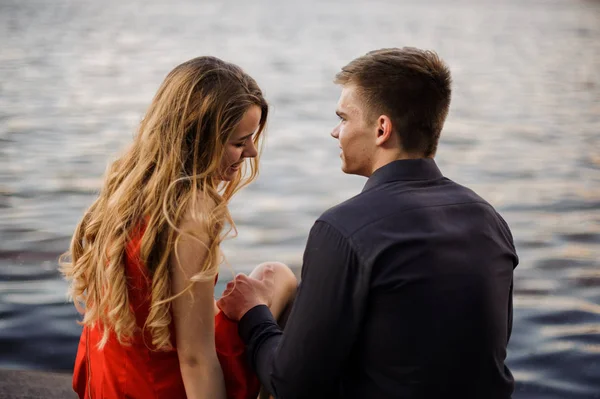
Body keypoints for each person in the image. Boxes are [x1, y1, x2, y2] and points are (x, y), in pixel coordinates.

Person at [217, 47, 519, 399]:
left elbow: (291, 384)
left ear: (381, 129)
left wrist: (254, 313)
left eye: (343, 118)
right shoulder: (490, 221)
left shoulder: (343, 229)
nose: (335, 131)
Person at [59, 56, 297, 399]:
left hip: (110, 374)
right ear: (198, 138)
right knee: (278, 276)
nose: (252, 152)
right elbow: (195, 357)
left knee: (246, 290)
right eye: (239, 141)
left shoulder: (129, 181)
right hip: (158, 386)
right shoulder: (193, 209)